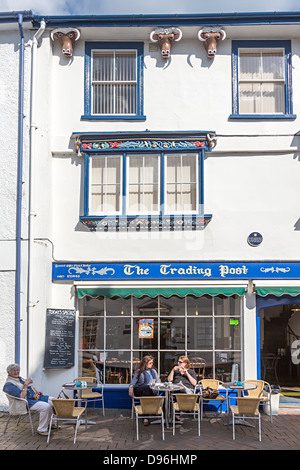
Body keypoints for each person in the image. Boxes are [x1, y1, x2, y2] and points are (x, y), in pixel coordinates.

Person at [3, 363, 57, 436]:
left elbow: (29, 389)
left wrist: (36, 393)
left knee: (54, 401)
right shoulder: (9, 384)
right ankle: (42, 429)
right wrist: (25, 384)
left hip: (32, 398)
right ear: (9, 373)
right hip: (24, 402)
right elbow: (22, 396)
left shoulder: (19, 378)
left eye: (17, 370)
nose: (16, 372)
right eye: (13, 371)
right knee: (45, 406)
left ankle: (50, 424)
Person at [129, 355, 160, 425]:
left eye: (152, 363)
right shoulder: (139, 371)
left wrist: (156, 387)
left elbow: (158, 380)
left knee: (148, 391)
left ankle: (145, 417)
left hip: (149, 391)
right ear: (145, 363)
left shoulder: (153, 371)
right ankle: (148, 415)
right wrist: (130, 388)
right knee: (147, 388)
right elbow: (133, 381)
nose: (152, 364)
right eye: (150, 363)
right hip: (139, 389)